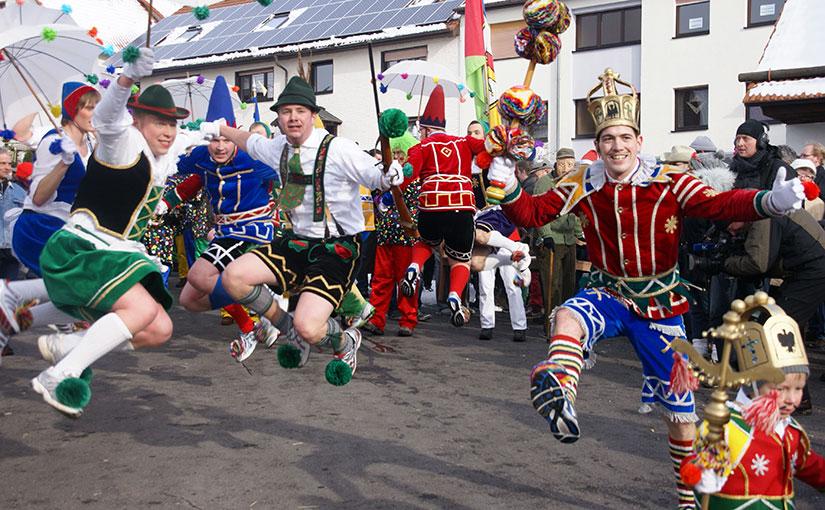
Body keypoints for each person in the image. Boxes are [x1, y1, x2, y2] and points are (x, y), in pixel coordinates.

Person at [487, 68, 805, 509]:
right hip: (609, 291)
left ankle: (688, 500)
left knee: (681, 415)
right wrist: (503, 182)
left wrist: (768, 201)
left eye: (624, 137)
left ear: (638, 140)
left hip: (660, 303)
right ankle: (559, 388)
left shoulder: (669, 176)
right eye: (607, 139)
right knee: (566, 315)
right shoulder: (584, 180)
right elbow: (532, 214)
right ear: (596, 146)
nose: (616, 147)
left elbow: (715, 204)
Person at [19, 48, 215, 417]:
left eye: (172, 124)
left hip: (113, 253)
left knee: (159, 328)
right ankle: (61, 373)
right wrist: (127, 76)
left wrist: (214, 131)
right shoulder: (122, 140)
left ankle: (58, 337)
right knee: (139, 308)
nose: (169, 131)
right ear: (138, 121)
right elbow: (109, 117)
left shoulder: (158, 161)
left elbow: (182, 149)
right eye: (159, 122)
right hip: (83, 246)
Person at [210, 76, 403, 385]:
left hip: (336, 249)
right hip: (296, 243)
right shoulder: (278, 148)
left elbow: (373, 174)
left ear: (313, 115)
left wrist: (388, 175)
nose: (293, 117)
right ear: (279, 118)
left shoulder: (338, 148)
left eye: (300, 110)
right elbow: (249, 141)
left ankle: (345, 342)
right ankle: (285, 326)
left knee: (311, 328)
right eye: (286, 111)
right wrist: (220, 129)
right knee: (233, 278)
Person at [154, 76, 281, 362]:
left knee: (201, 275)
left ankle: (268, 308)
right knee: (189, 299)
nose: (220, 146)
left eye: (226, 138)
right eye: (213, 139)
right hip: (224, 232)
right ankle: (250, 325)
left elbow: (292, 175)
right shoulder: (201, 156)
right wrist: (164, 200)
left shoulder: (253, 158)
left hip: (253, 231)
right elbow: (182, 172)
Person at [682, 317, 825, 508]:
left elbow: (812, 467)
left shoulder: (790, 431)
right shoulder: (726, 425)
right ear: (753, 387)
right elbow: (693, 461)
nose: (792, 399)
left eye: (798, 389)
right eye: (781, 390)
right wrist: (699, 473)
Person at [399, 85, 486, 327]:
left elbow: (406, 178)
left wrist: (389, 195)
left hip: (432, 206)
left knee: (426, 242)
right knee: (460, 260)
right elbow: (488, 148)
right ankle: (455, 296)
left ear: (425, 128)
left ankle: (414, 268)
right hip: (462, 208)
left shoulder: (420, 147)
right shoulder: (465, 142)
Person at [11, 83, 100, 276]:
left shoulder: (92, 144)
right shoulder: (54, 142)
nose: (96, 113)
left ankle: (13, 300)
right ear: (72, 110)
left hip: (70, 229)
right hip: (41, 229)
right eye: (90, 108)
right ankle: (9, 296)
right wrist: (64, 163)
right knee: (80, 290)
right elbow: (38, 198)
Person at [362, 132, 421, 337]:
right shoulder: (387, 176)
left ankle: (408, 320)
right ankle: (377, 319)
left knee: (406, 280)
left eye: (400, 153)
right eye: (394, 153)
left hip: (406, 235)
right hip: (386, 233)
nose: (397, 157)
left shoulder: (415, 177)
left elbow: (412, 200)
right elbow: (378, 201)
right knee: (381, 279)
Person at [532, 147, 582, 337]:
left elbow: (576, 211)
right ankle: (550, 328)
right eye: (562, 164)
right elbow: (538, 211)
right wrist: (545, 235)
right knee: (553, 287)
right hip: (551, 239)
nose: (566, 168)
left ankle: (566, 329)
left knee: (569, 287)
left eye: (570, 164)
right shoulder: (545, 183)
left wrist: (580, 234)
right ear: (556, 165)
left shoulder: (573, 182)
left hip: (569, 240)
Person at [470, 206, 530, 342]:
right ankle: (487, 325)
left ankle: (519, 327)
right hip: (485, 238)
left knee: (512, 286)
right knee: (485, 286)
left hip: (505, 235)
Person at [730, 119, 795, 191]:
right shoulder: (733, 169)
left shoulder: (779, 169)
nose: (739, 144)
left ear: (761, 142)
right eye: (737, 139)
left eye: (745, 139)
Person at [0, 148, 26, 280]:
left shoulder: (19, 191)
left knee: (9, 292)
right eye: (2, 163)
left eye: (9, 164)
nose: (7, 168)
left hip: (11, 251)